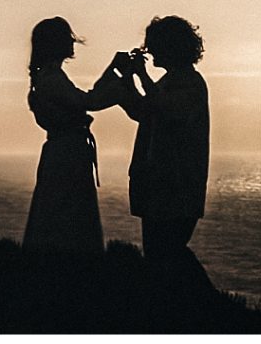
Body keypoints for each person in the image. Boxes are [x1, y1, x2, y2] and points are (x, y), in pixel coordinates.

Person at [119, 16, 213, 312]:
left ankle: (205, 306)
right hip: (161, 182)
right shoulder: (172, 81)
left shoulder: (190, 82)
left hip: (176, 183)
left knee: (167, 252)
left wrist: (141, 77)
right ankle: (190, 309)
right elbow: (144, 111)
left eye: (155, 46)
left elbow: (168, 111)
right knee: (161, 255)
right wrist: (128, 80)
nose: (150, 51)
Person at [22, 17, 125, 254]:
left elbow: (85, 100)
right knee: (69, 214)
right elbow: (88, 101)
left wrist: (113, 72)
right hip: (67, 153)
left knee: (57, 212)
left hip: (63, 151)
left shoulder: (47, 77)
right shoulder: (52, 78)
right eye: (67, 38)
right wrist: (118, 91)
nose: (72, 42)